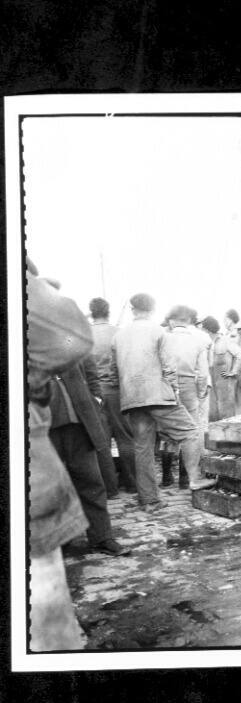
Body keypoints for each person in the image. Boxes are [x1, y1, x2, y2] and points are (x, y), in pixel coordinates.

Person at [27, 259, 92, 651]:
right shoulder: (45, 328)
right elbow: (73, 336)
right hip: (34, 471)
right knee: (48, 633)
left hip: (66, 426)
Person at [110, 294, 215, 509]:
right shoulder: (159, 331)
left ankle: (149, 500)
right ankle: (195, 478)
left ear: (133, 310)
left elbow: (113, 371)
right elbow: (169, 367)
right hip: (158, 395)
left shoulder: (118, 336)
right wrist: (173, 393)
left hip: (132, 398)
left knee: (143, 448)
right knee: (190, 432)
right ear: (152, 309)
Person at [49, 356, 130, 556]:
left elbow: (90, 371)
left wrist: (96, 397)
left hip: (79, 423)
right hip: (43, 425)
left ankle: (101, 537)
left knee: (92, 482)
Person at [89, 297, 136, 493]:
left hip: (94, 392)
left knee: (102, 440)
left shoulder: (85, 334)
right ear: (108, 312)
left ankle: (110, 488)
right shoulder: (120, 333)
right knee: (125, 437)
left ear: (91, 313)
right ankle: (132, 484)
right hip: (117, 390)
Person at [165, 305, 211, 487]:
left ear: (172, 320)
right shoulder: (198, 342)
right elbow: (203, 374)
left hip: (168, 387)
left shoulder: (164, 338)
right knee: (190, 430)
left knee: (168, 432)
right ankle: (186, 477)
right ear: (188, 321)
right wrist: (200, 394)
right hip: (189, 386)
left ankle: (167, 476)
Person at [201, 316, 241, 421]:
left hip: (224, 379)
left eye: (203, 329)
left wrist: (234, 371)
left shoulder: (226, 340)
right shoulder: (205, 342)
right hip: (211, 379)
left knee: (226, 409)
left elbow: (240, 355)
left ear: (207, 330)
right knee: (212, 410)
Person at [189, 309, 213, 453]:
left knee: (188, 421)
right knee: (202, 420)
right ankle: (203, 454)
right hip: (204, 379)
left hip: (186, 381)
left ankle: (188, 457)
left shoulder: (175, 336)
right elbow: (210, 363)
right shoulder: (205, 337)